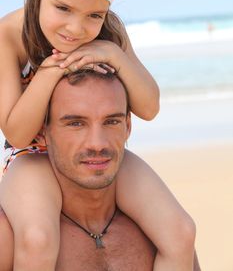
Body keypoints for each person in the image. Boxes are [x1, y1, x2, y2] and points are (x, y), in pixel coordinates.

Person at [0, 0, 195, 271]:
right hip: (32, 156)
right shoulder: (10, 35)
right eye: (63, 8)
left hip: (97, 148)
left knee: (180, 231)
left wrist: (116, 54)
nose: (75, 28)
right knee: (37, 239)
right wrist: (49, 72)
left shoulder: (109, 34)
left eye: (94, 15)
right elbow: (15, 132)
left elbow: (149, 107)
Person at [0, 69, 201, 270]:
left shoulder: (161, 236)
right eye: (76, 123)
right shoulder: (11, 240)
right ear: (42, 132)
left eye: (111, 121)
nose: (97, 143)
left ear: (128, 126)